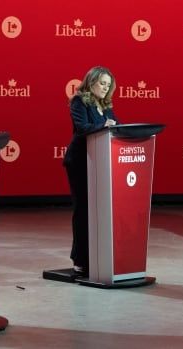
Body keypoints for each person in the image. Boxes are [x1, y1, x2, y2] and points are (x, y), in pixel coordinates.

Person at [63, 66, 119, 275]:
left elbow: (116, 126)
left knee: (99, 210)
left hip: (100, 163)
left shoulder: (106, 105)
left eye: (108, 85)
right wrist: (105, 125)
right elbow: (82, 128)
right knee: (83, 209)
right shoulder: (79, 101)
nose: (105, 88)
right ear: (91, 82)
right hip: (80, 162)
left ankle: (98, 255)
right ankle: (79, 258)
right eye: (102, 83)